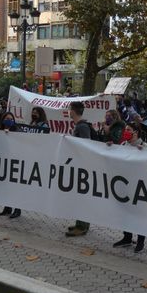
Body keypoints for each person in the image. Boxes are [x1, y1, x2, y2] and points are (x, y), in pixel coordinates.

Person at [112, 125, 147, 252]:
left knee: (139, 214)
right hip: (124, 185)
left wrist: (143, 152)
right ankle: (127, 237)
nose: (125, 132)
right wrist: (109, 148)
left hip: (139, 186)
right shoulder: (123, 145)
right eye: (125, 129)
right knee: (125, 212)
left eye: (128, 130)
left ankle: (140, 241)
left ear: (135, 132)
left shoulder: (145, 146)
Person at [67, 101, 94, 237]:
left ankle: (82, 225)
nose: (68, 111)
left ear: (73, 111)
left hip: (83, 165)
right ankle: (81, 223)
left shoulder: (82, 127)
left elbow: (86, 145)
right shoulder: (79, 125)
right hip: (79, 164)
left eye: (70, 109)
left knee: (82, 196)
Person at [0, 113, 23, 219]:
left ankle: (17, 209)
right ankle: (7, 208)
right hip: (3, 161)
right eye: (7, 119)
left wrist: (10, 135)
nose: (9, 121)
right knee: (6, 186)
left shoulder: (17, 130)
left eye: (11, 119)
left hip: (15, 162)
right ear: (3, 120)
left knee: (15, 186)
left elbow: (21, 142)